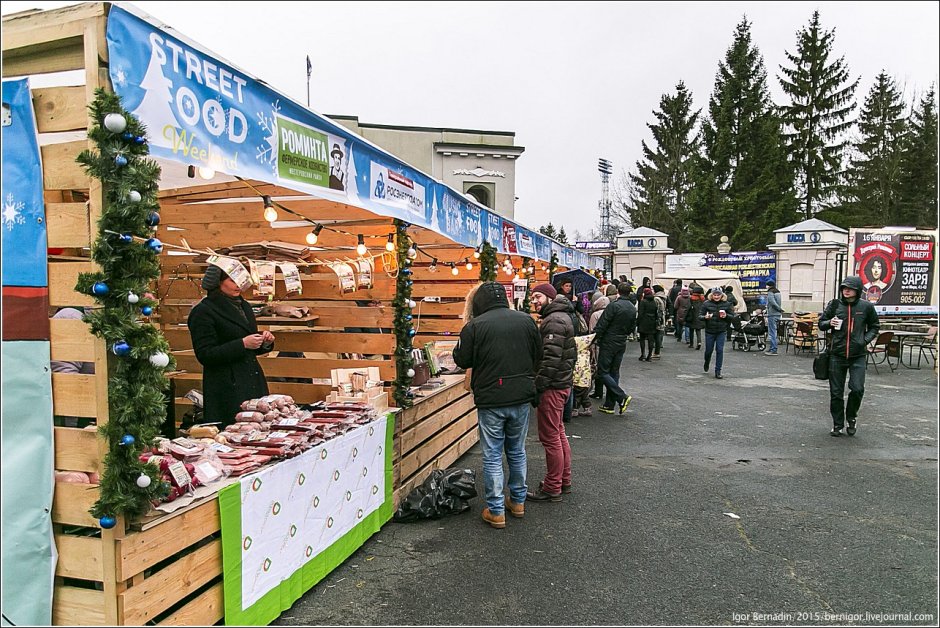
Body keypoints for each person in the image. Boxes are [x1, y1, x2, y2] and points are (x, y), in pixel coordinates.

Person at [453, 282, 540, 528]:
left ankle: (496, 509)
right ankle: (519, 502)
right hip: (521, 396)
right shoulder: (526, 321)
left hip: (491, 398)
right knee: (517, 450)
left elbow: (461, 358)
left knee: (492, 455)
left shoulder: (475, 326)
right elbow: (538, 355)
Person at [187, 265, 275, 426]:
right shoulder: (203, 311)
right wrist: (242, 344)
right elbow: (205, 354)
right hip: (226, 387)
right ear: (217, 282)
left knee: (259, 431)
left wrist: (264, 342)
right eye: (232, 280)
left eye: (239, 280)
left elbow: (247, 341)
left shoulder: (244, 306)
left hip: (252, 379)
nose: (238, 285)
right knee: (233, 435)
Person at [527, 283, 577, 502]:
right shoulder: (560, 316)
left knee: (550, 438)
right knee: (558, 434)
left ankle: (553, 486)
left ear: (549, 297)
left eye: (537, 296)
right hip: (561, 384)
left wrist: (538, 386)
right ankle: (562, 480)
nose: (534, 301)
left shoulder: (554, 320)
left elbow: (550, 360)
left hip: (552, 387)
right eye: (532, 298)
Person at [818, 276, 880, 437]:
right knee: (836, 393)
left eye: (850, 288)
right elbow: (821, 323)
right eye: (844, 287)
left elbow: (875, 326)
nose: (846, 290)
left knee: (857, 388)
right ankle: (837, 424)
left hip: (857, 355)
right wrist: (829, 322)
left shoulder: (866, 307)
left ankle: (851, 418)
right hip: (836, 355)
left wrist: (864, 340)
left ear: (858, 290)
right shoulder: (835, 305)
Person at [592, 282, 637, 414]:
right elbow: (632, 326)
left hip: (609, 341)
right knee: (614, 372)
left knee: (603, 371)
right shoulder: (632, 308)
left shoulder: (614, 306)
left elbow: (603, 324)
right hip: (621, 341)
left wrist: (594, 338)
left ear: (618, 291)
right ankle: (610, 404)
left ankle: (621, 396)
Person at [699, 287, 735, 379]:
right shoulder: (706, 304)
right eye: (714, 295)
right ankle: (707, 362)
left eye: (718, 295)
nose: (716, 296)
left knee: (719, 350)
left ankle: (718, 371)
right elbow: (700, 316)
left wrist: (726, 316)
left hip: (721, 331)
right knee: (708, 351)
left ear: (722, 295)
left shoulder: (727, 304)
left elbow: (732, 316)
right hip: (709, 331)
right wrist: (705, 317)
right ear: (711, 295)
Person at [637, 287, 658, 362]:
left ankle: (643, 354)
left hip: (644, 321)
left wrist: (637, 322)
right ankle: (649, 355)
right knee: (651, 339)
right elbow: (656, 312)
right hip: (652, 321)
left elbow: (640, 313)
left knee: (642, 339)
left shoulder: (643, 301)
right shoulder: (653, 301)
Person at [764, 280, 783, 356]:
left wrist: (779, 308)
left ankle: (773, 349)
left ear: (769, 285)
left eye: (767, 285)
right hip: (777, 314)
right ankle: (772, 347)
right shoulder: (778, 292)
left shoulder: (770, 292)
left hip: (772, 314)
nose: (766, 287)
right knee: (774, 331)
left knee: (772, 332)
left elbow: (772, 302)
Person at [685, 285, 705, 350]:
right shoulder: (703, 299)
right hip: (699, 316)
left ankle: (691, 344)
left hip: (692, 316)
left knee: (691, 330)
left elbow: (688, 307)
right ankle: (699, 342)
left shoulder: (691, 298)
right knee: (698, 330)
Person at [652, 284, 667, 359]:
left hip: (658, 319)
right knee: (659, 334)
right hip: (662, 318)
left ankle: (656, 352)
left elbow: (655, 309)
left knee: (657, 335)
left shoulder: (656, 299)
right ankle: (657, 351)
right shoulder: (664, 297)